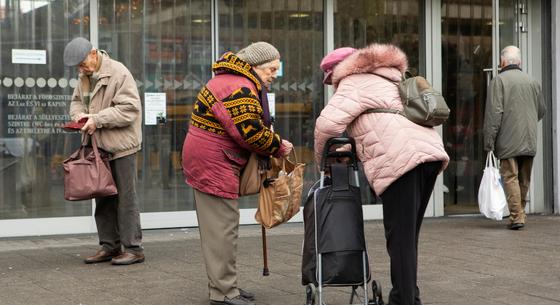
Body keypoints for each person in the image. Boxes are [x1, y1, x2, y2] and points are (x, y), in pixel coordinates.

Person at [314, 44, 449, 305]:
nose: (332, 86)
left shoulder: (353, 81)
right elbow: (376, 122)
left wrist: (323, 162)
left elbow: (328, 125)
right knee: (407, 238)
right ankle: (409, 296)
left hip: (403, 160)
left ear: (339, 71)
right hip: (428, 154)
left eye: (331, 79)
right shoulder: (388, 77)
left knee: (399, 240)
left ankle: (403, 300)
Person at [181, 42, 293, 305]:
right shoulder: (237, 87)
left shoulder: (234, 80)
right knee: (221, 231)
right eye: (271, 69)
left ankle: (224, 287)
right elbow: (250, 133)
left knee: (222, 229)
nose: (274, 75)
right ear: (255, 66)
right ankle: (223, 294)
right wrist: (277, 145)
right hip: (213, 163)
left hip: (211, 159)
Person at [64, 37, 144, 265]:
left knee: (126, 199)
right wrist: (78, 116)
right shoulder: (84, 77)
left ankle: (133, 248)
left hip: (121, 146)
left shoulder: (119, 72)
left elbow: (130, 109)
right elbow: (76, 102)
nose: (81, 69)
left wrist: (97, 120)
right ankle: (109, 246)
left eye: (82, 63)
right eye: (78, 67)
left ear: (93, 53)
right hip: (98, 146)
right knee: (102, 197)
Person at [483, 45, 545, 230]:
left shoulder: (498, 81)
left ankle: (517, 216)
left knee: (510, 177)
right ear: (519, 62)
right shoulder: (533, 82)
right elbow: (541, 110)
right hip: (529, 138)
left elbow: (494, 114)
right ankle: (520, 213)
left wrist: (489, 142)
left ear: (502, 61)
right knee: (524, 179)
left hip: (508, 139)